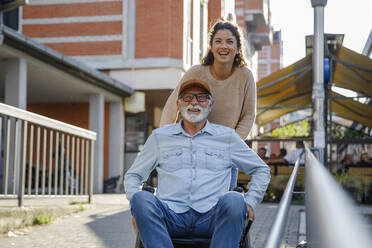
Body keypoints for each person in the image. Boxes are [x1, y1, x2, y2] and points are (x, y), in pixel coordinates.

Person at [125, 79, 270, 248]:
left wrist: (251, 201)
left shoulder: (227, 137)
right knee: (141, 199)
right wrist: (135, 202)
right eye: (187, 98)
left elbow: (261, 169)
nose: (194, 102)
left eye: (201, 98)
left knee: (235, 199)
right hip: (171, 217)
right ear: (178, 104)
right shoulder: (160, 137)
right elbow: (133, 175)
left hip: (212, 218)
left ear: (210, 104)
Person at [160, 20, 256, 140]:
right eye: (218, 41)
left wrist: (233, 143)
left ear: (237, 48)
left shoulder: (245, 76)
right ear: (211, 47)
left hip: (228, 146)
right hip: (194, 143)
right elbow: (172, 107)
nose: (224, 46)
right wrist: (164, 140)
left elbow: (248, 115)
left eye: (230, 42)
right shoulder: (196, 72)